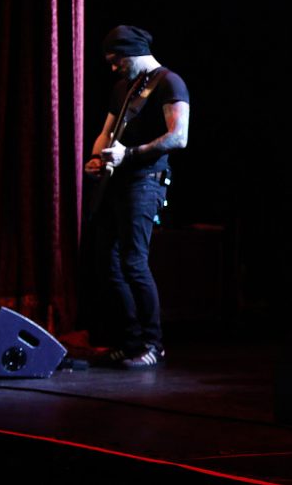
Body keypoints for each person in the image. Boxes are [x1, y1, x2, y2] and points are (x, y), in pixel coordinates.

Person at [85, 25, 190, 369]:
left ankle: (152, 343)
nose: (114, 67)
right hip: (116, 183)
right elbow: (107, 131)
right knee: (107, 263)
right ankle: (130, 341)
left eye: (118, 60)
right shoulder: (123, 88)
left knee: (133, 262)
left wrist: (128, 154)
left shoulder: (170, 83)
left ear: (134, 52)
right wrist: (98, 157)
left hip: (145, 182)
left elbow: (178, 137)